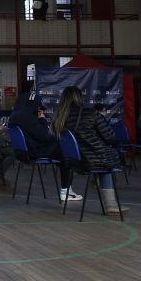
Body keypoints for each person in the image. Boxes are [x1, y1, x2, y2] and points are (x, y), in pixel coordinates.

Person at [51, 86, 124, 214]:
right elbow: (110, 137)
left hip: (73, 161)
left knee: (103, 158)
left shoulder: (60, 118)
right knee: (108, 160)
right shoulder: (90, 113)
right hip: (92, 159)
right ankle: (111, 204)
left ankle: (97, 180)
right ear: (80, 98)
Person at [9, 92, 80, 202]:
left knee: (62, 153)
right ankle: (66, 191)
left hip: (23, 151)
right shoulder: (27, 117)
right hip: (34, 152)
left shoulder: (15, 115)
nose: (39, 110)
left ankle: (67, 188)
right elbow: (44, 137)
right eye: (38, 107)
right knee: (66, 153)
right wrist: (42, 120)